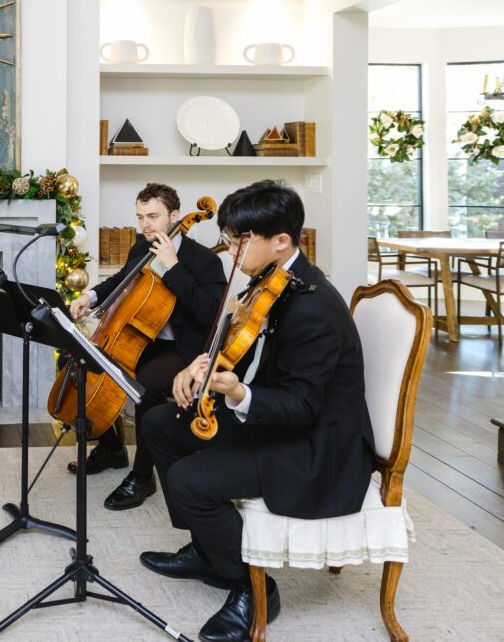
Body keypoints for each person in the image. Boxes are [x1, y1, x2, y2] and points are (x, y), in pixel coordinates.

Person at [138, 181, 376, 642]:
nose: (230, 250)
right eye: (228, 238)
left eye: (239, 240)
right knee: (158, 424)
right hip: (281, 421)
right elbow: (246, 349)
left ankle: (254, 585)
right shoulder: (275, 283)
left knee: (190, 480)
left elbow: (303, 405)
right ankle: (208, 550)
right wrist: (203, 363)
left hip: (314, 448)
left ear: (281, 241)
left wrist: (238, 392)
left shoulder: (313, 307)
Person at [66, 183, 225, 510]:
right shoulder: (141, 247)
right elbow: (120, 280)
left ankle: (142, 476)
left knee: (144, 387)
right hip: (141, 338)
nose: (145, 225)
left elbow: (209, 313)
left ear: (175, 216)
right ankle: (112, 448)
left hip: (184, 349)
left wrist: (173, 266)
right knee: (89, 362)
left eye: (153, 216)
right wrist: (89, 296)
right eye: (140, 217)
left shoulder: (203, 260)